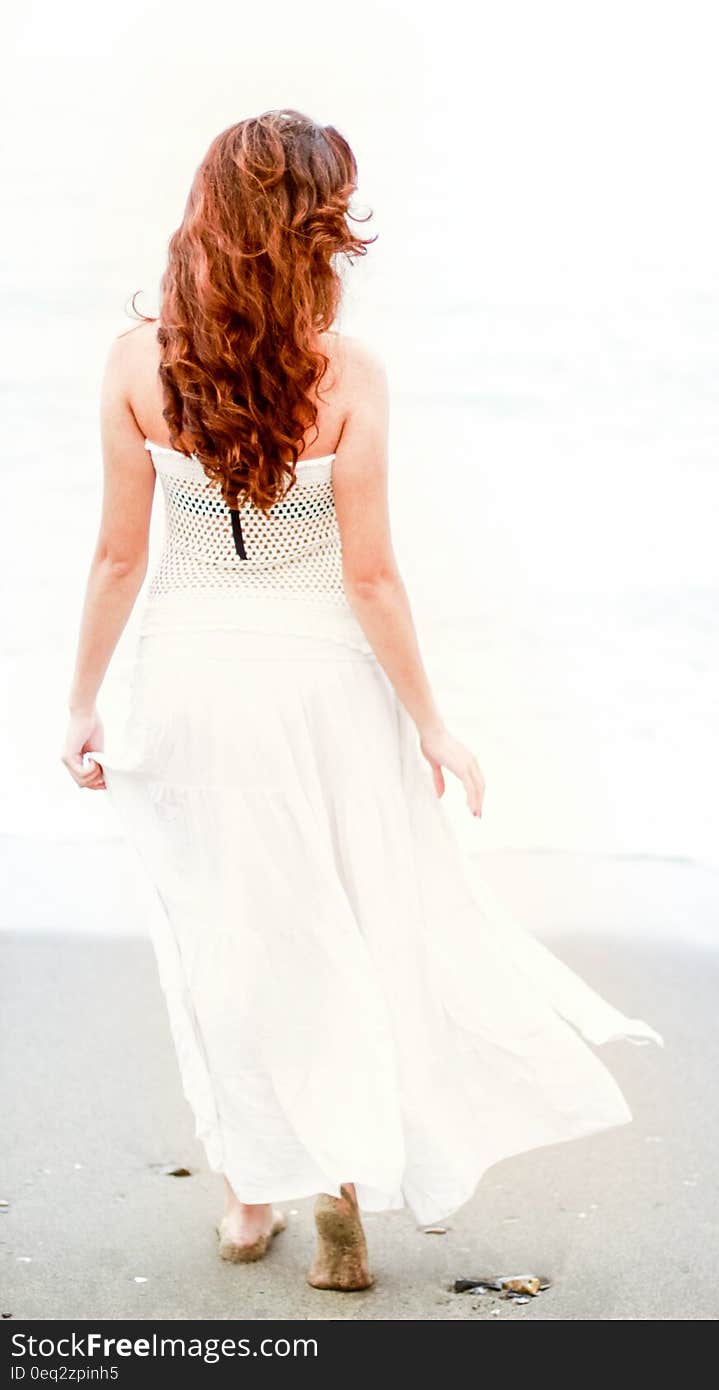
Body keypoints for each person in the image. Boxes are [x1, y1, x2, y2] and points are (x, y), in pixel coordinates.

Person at [62, 109, 660, 1293]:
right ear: (317, 231)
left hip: (190, 685)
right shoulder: (349, 375)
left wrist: (81, 701)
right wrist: (433, 720)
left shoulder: (137, 364)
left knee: (229, 938)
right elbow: (371, 574)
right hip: (325, 688)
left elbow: (120, 559)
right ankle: (342, 1182)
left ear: (206, 216)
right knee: (342, 922)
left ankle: (249, 1195)